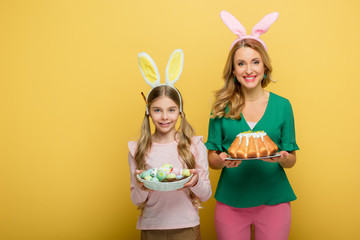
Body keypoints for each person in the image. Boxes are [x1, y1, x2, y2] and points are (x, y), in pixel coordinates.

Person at [205, 11, 299, 240]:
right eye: (241, 63)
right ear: (234, 71)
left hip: (274, 201)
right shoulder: (221, 106)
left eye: (255, 62)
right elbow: (212, 159)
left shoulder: (283, 106)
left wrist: (282, 157)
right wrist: (222, 160)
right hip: (231, 202)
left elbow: (292, 159)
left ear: (264, 67)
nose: (249, 70)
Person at [128, 49, 211, 240]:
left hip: (186, 226)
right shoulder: (138, 149)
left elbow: (206, 195)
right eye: (157, 110)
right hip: (151, 226)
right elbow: (135, 200)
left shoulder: (195, 146)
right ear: (148, 112)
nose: (165, 117)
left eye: (171, 110)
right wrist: (141, 185)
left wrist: (195, 182)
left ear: (180, 111)